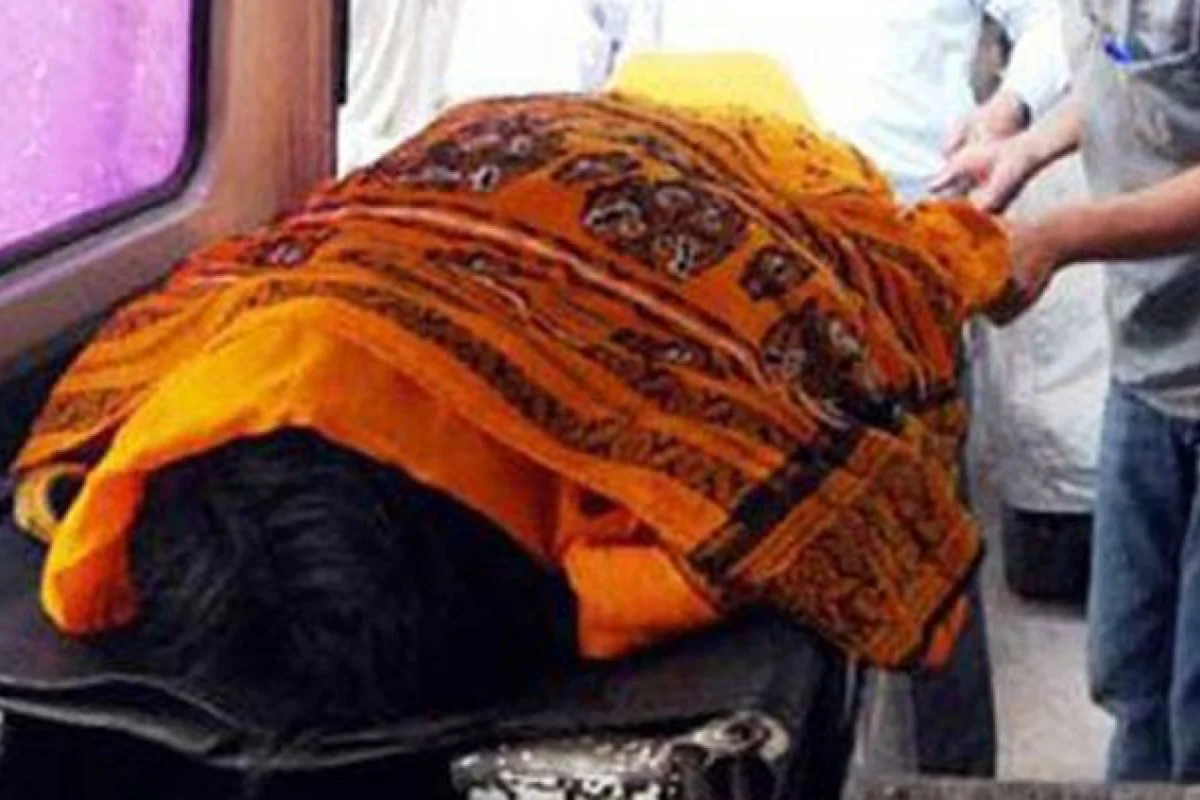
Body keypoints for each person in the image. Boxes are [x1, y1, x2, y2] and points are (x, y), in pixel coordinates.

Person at [10, 57, 1019, 737]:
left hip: (275, 394)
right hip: (358, 446)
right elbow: (910, 282)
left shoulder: (484, 127)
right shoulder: (803, 180)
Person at [620, 0, 1073, 777]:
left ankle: (946, 782)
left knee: (922, 555)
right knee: (719, 564)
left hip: (895, 254)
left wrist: (1008, 110)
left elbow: (1059, 21)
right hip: (697, 264)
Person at [936, 0, 1200, 783]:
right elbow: (1126, 74)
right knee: (1129, 667)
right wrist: (1025, 147)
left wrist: (1059, 238)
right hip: (1150, 361)